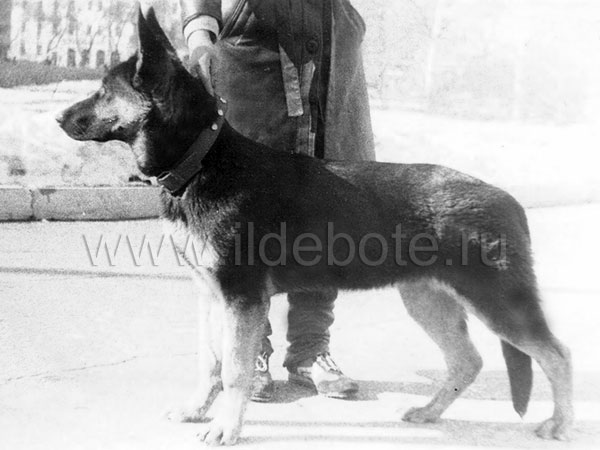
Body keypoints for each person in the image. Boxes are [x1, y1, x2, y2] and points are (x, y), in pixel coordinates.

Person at [179, 0, 375, 402]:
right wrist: (200, 35)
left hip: (328, 46)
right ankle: (252, 352)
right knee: (248, 217)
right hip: (255, 50)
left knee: (326, 212)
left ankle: (311, 350)